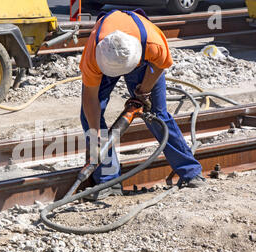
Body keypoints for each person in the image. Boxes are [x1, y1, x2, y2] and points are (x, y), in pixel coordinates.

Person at [79, 9, 206, 201]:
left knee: (157, 115)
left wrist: (143, 91)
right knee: (89, 118)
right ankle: (108, 182)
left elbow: (160, 65)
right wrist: (96, 134)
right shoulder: (93, 56)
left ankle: (190, 172)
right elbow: (90, 99)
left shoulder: (153, 43)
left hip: (143, 63)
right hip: (107, 61)